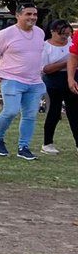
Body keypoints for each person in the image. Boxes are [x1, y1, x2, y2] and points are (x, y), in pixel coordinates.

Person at [0, 3, 47, 160]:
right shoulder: (6, 33)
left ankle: (24, 147)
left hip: (34, 81)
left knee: (30, 115)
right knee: (11, 111)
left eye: (34, 14)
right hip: (12, 78)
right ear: (18, 15)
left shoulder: (40, 33)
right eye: (28, 14)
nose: (32, 17)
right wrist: (1, 71)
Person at [41, 20, 78, 155]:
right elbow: (45, 69)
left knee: (74, 113)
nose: (65, 37)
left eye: (68, 34)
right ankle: (47, 143)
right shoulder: (46, 47)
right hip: (53, 81)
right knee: (54, 112)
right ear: (52, 32)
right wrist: (66, 63)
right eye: (62, 34)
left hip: (72, 78)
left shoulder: (71, 45)